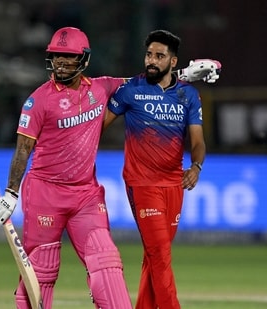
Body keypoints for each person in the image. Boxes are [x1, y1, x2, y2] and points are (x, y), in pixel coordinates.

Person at [0, 26, 221, 309]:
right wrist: (11, 193)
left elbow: (142, 82)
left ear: (84, 59)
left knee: (106, 260)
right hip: (45, 192)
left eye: (69, 57)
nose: (61, 62)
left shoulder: (102, 87)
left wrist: (182, 74)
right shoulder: (38, 101)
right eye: (57, 56)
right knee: (42, 269)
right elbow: (23, 149)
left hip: (85, 194)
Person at [104, 30, 207, 309]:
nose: (151, 60)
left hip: (174, 184)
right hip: (142, 183)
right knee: (160, 253)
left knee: (155, 256)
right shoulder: (131, 90)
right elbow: (97, 126)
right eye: (149, 54)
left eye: (159, 56)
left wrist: (196, 166)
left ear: (173, 62)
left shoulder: (188, 95)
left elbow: (197, 141)